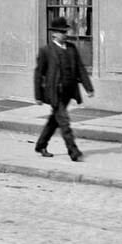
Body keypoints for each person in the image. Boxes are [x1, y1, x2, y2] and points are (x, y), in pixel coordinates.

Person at [34, 15, 92, 161]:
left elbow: (80, 68)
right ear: (54, 33)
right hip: (55, 93)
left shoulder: (72, 49)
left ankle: (41, 145)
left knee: (55, 120)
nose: (65, 34)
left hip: (68, 91)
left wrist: (88, 87)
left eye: (66, 31)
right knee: (64, 122)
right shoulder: (46, 51)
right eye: (62, 32)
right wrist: (38, 96)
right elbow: (38, 73)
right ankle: (73, 151)